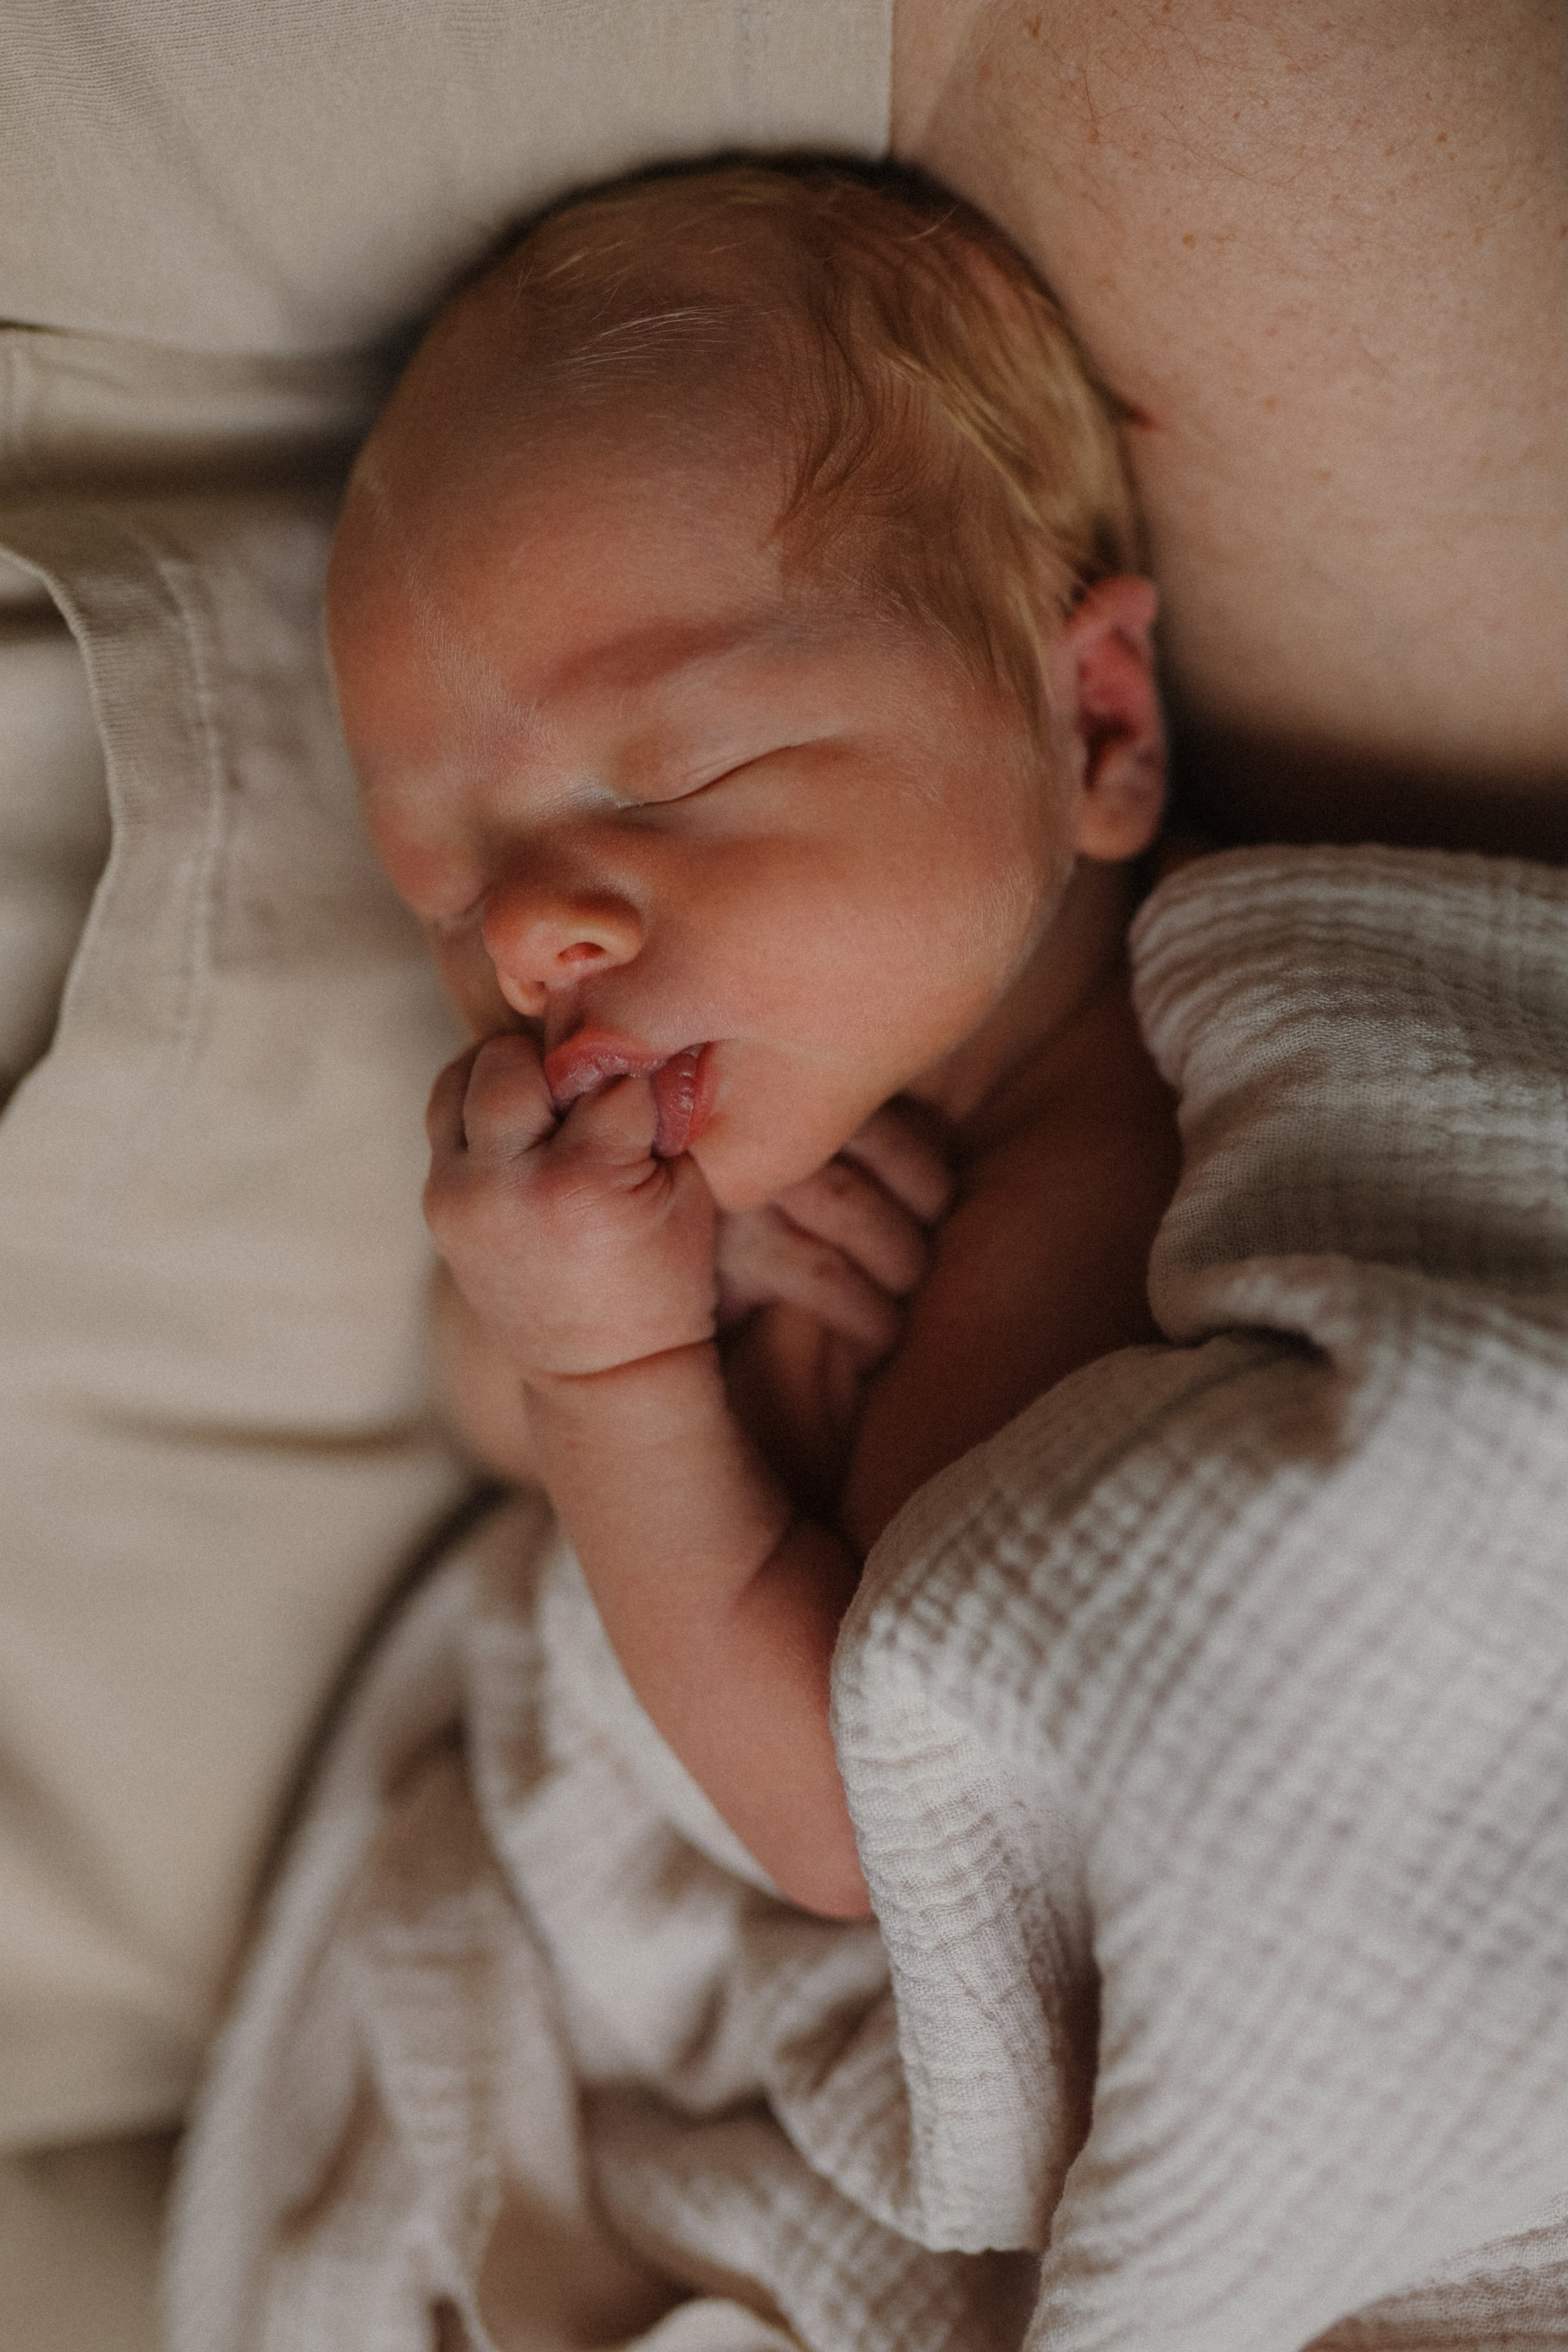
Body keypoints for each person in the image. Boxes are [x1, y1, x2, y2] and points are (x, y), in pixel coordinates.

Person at [325, 161, 1188, 1918]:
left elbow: (878, 1835)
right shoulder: (759, 1134)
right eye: (438, 887)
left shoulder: (1095, 1189)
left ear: (1091, 722)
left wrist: (620, 1382)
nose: (513, 938)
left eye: (669, 781)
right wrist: (597, 1318)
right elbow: (474, 1404)